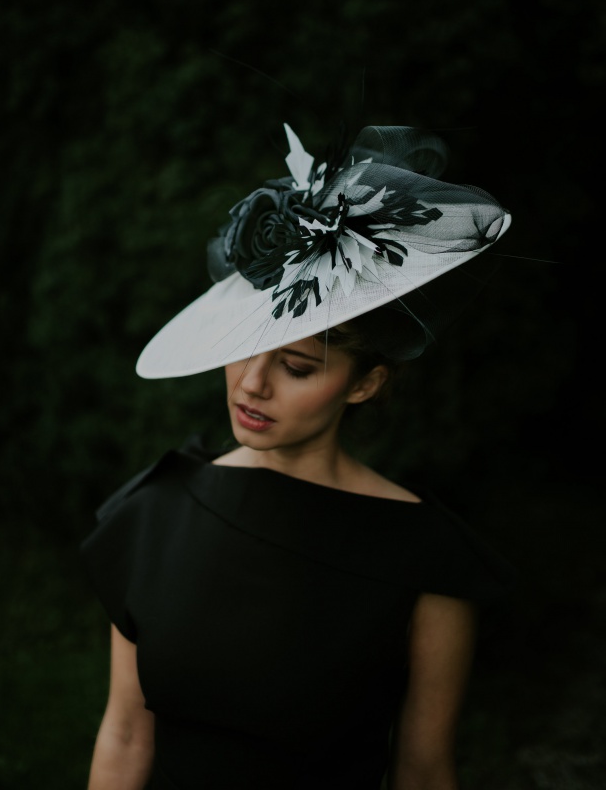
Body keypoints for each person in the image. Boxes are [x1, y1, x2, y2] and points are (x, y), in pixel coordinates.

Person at [82, 123, 514, 790]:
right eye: (243, 349)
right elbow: (125, 733)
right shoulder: (153, 513)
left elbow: (423, 771)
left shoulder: (426, 557)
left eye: (297, 366)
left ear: (366, 383)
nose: (251, 384)